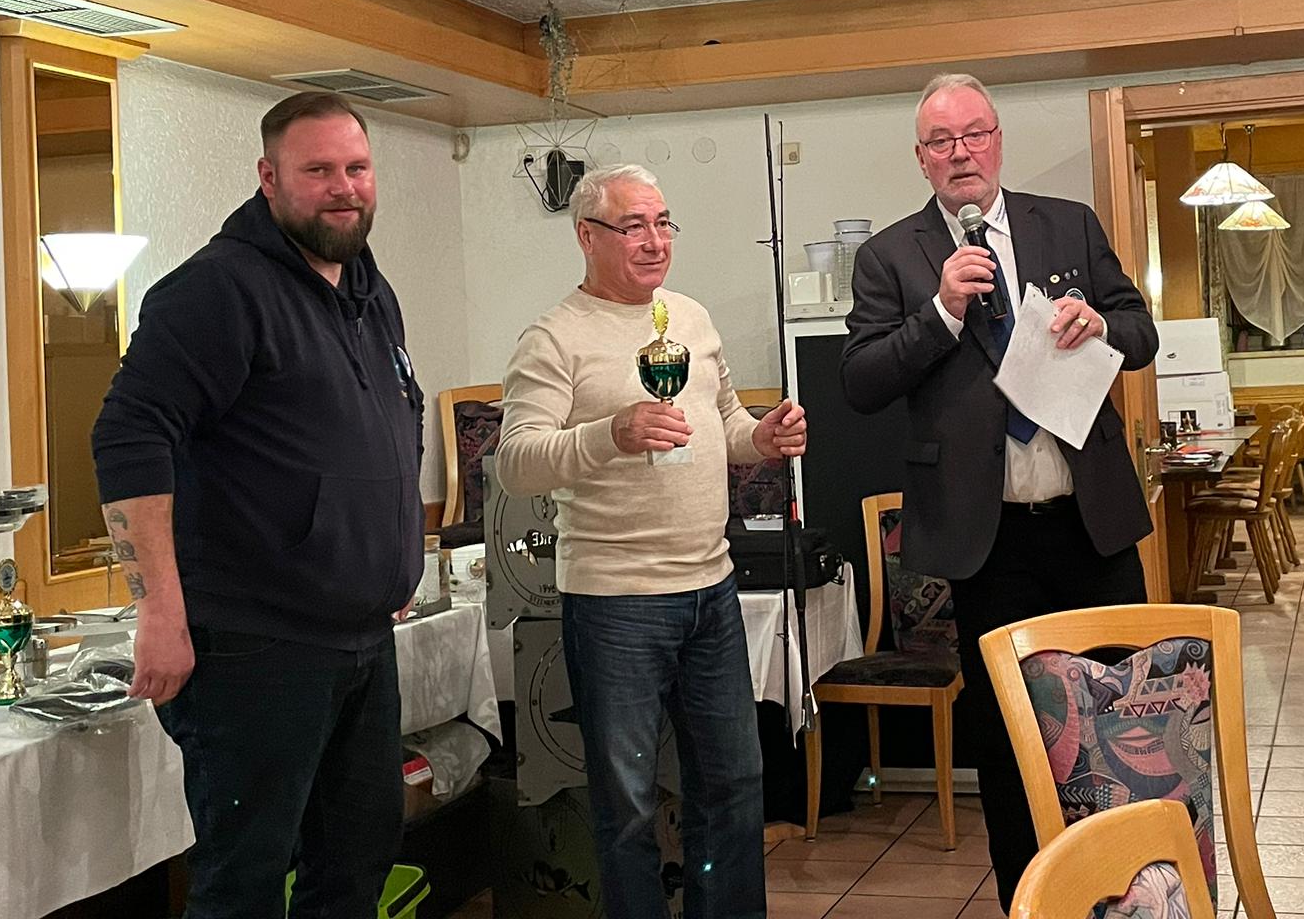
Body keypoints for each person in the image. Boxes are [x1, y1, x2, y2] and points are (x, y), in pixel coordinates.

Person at [91, 91, 424, 919]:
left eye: (357, 168)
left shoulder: (369, 289)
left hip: (359, 639)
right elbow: (128, 436)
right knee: (245, 881)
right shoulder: (217, 290)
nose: (344, 187)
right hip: (253, 645)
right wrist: (158, 611)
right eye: (319, 171)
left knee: (356, 861)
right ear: (269, 178)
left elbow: (386, 427)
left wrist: (388, 555)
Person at [841, 73, 1157, 910]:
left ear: (998, 141)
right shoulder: (890, 256)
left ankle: (1126, 894)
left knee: (1120, 725)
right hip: (987, 541)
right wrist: (941, 313)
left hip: (1092, 527)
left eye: (974, 134)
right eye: (941, 142)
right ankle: (1033, 901)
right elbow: (862, 381)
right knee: (1012, 739)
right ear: (921, 159)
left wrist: (1102, 324)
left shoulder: (1068, 223)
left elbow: (1141, 331)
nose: (961, 153)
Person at [495, 164, 806, 919]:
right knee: (629, 803)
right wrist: (611, 433)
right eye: (633, 226)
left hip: (711, 589)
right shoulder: (553, 337)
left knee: (734, 785)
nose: (654, 240)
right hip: (615, 602)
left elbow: (724, 422)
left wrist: (762, 438)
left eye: (663, 223)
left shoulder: (690, 318)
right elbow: (515, 461)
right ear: (586, 236)